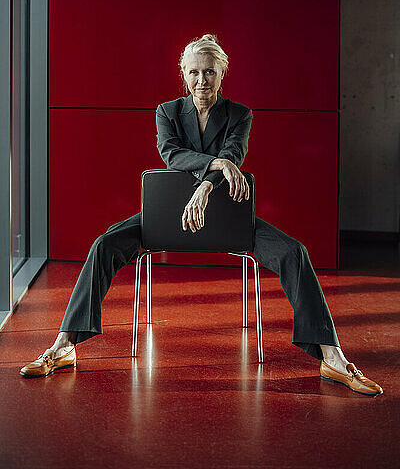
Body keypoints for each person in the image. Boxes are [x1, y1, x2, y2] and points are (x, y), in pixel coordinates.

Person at [20, 34, 383, 396]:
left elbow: (234, 153)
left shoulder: (240, 114)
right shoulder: (168, 111)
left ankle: (333, 358)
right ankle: (63, 346)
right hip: (166, 217)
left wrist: (208, 186)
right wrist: (216, 165)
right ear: (183, 74)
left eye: (209, 72)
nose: (201, 80)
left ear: (222, 73)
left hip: (227, 217)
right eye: (193, 72)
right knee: (103, 245)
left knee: (294, 252)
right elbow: (172, 154)